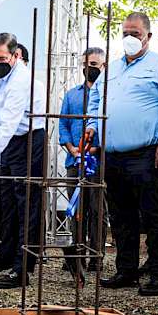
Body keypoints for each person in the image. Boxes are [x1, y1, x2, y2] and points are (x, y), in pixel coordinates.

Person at [85, 12, 158, 296]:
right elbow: (95, 101)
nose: (130, 39)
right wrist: (93, 127)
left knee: (155, 215)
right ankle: (126, 270)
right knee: (120, 217)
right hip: (113, 154)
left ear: (148, 37)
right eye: (126, 34)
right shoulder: (111, 69)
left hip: (147, 152)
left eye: (136, 34)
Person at [0, 33, 46, 289]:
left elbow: (10, 124)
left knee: (26, 204)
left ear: (16, 55)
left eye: (1, 58)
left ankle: (22, 268)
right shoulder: (6, 79)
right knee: (9, 203)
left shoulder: (21, 81)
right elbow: (3, 112)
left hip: (28, 142)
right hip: (12, 143)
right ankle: (6, 257)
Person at [59, 47, 104, 272]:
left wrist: (94, 149)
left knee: (97, 210)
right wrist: (71, 149)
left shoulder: (108, 95)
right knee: (76, 209)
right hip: (73, 161)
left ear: (103, 66)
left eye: (94, 65)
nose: (90, 68)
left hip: (97, 161)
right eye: (86, 64)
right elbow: (63, 125)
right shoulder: (71, 95)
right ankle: (76, 256)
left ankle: (97, 256)